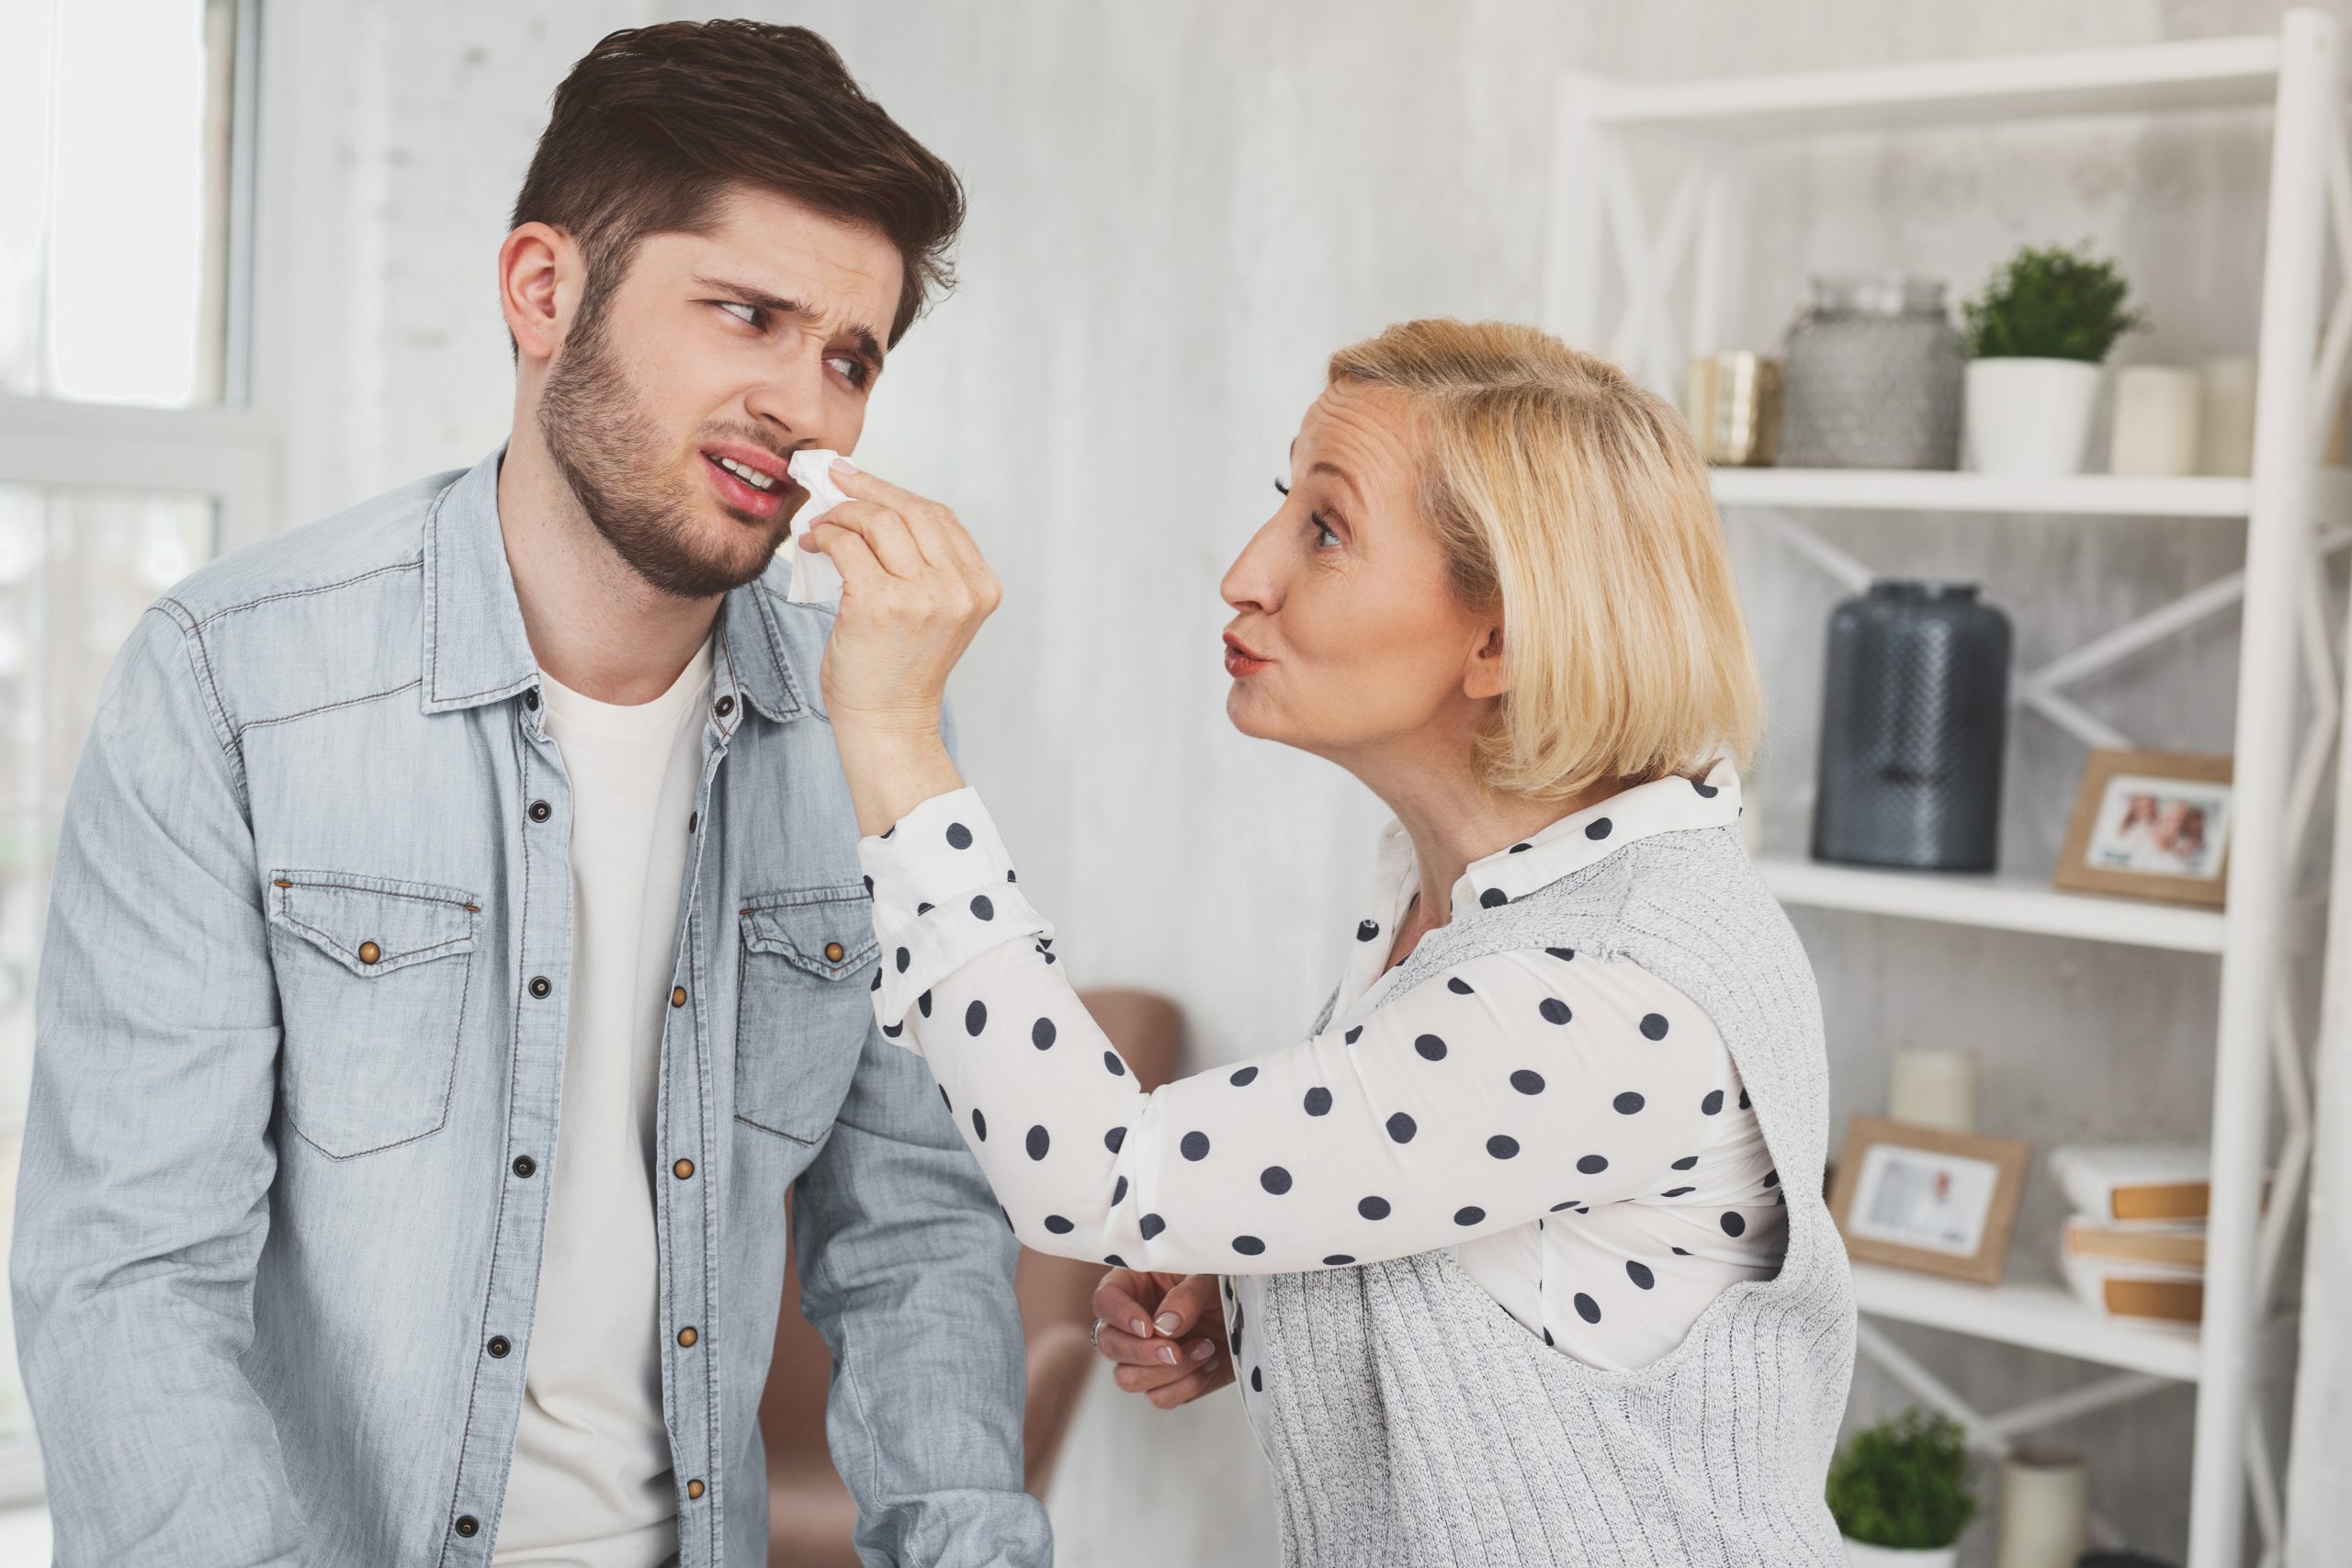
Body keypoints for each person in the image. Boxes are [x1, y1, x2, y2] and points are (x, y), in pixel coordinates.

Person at [9, 23, 1050, 1568]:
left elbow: (915, 1237)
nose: (807, 408)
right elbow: (127, 1279)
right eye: (746, 315)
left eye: (848, 356)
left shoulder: (871, 716)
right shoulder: (230, 683)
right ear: (544, 291)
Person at [798, 320, 1859, 1564]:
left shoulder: (1606, 991)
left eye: (1328, 528)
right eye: (1282, 503)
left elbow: (1095, 1177)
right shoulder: (1466, 893)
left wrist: (892, 735)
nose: (1246, 573)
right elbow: (1525, 1241)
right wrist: (1269, 1293)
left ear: (1501, 639)